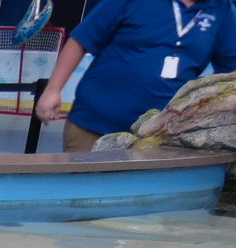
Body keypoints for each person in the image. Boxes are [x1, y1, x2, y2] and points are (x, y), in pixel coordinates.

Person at [35, 0, 236, 150]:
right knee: (83, 190)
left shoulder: (223, 11)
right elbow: (81, 40)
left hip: (160, 137)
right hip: (93, 125)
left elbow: (230, 73)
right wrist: (53, 89)